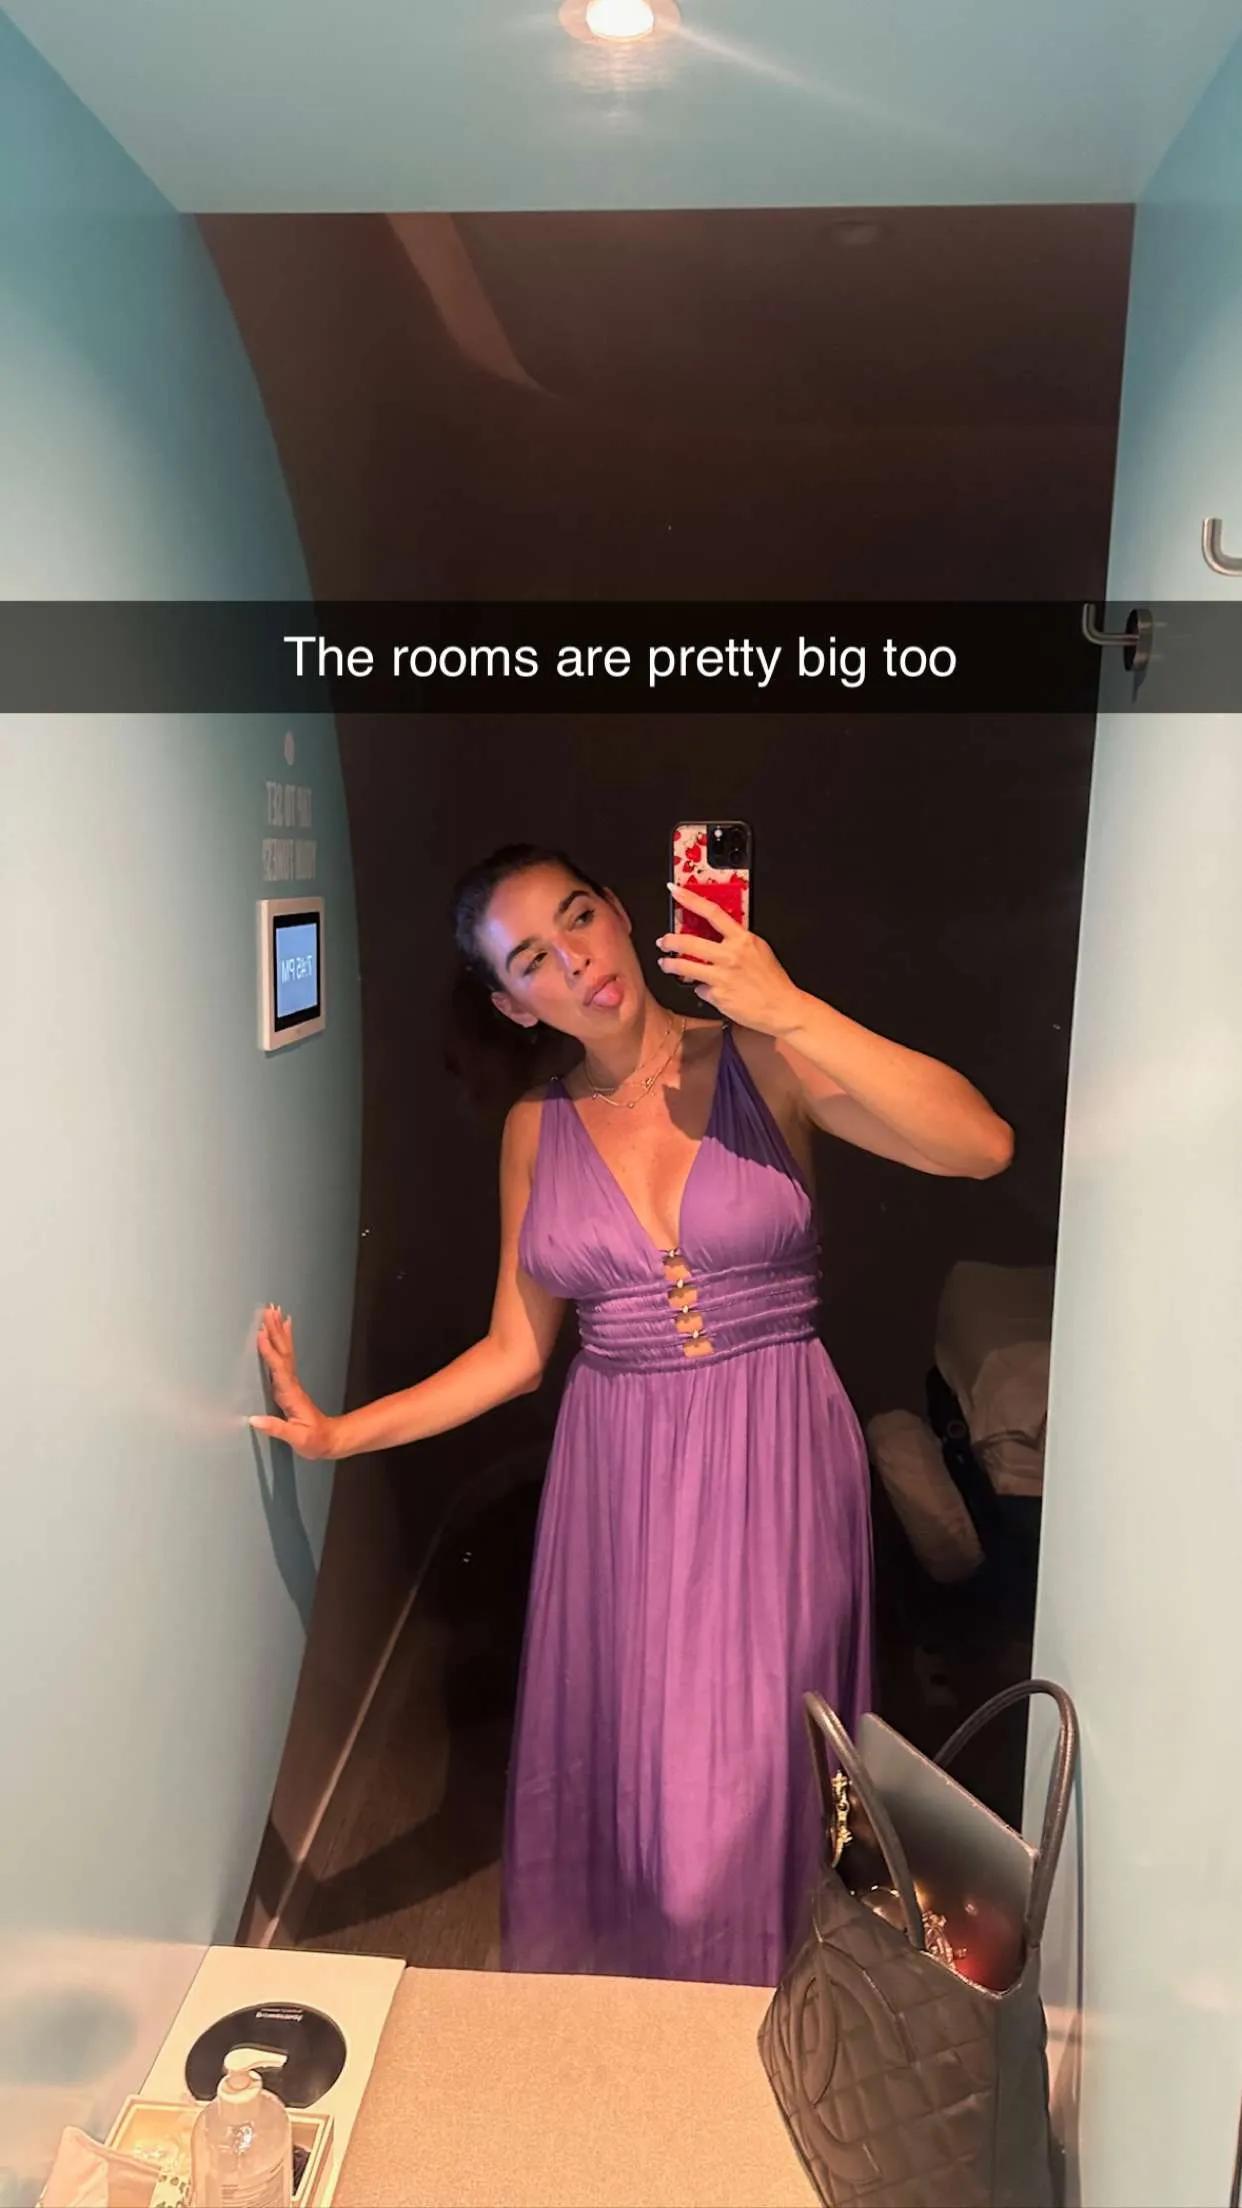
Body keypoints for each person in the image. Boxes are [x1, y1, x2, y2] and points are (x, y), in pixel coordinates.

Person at [253, 843, 1012, 1987]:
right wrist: (336, 1434)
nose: (574, 961)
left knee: (747, 1788)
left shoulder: (762, 1053)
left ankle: (756, 2006)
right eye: (530, 960)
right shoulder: (533, 1128)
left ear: (619, 911)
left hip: (775, 1459)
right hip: (622, 1481)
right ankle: (653, 2019)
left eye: (578, 918)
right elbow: (515, 1352)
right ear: (514, 1004)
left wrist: (789, 1006)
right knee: (648, 1773)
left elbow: (980, 1146)